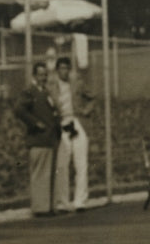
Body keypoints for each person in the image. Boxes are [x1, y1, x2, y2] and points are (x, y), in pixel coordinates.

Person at [13, 62, 61, 217]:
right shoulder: (29, 91)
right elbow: (19, 110)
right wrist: (35, 123)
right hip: (38, 139)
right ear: (34, 76)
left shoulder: (46, 92)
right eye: (41, 75)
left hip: (50, 139)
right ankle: (40, 208)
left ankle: (49, 206)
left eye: (46, 74)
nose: (44, 78)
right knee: (40, 173)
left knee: (49, 174)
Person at [47, 56, 93, 213]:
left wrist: (86, 110)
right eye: (61, 68)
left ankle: (80, 200)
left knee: (81, 163)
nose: (64, 71)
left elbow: (92, 97)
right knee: (62, 165)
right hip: (61, 124)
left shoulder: (77, 83)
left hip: (76, 122)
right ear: (57, 70)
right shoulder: (51, 86)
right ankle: (63, 202)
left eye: (66, 68)